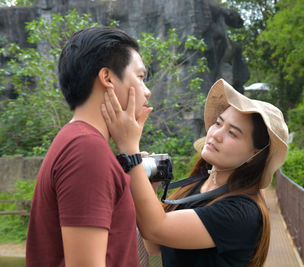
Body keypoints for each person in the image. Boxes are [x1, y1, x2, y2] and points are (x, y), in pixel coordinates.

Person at [102, 78, 289, 266]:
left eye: (232, 133)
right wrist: (149, 186)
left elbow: (156, 229)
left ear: (254, 154)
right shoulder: (200, 184)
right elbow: (155, 244)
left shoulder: (242, 211)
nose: (215, 134)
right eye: (218, 123)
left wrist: (129, 149)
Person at [26, 27, 152, 267]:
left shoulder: (79, 141)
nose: (147, 91)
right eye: (140, 76)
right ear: (107, 78)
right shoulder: (86, 150)